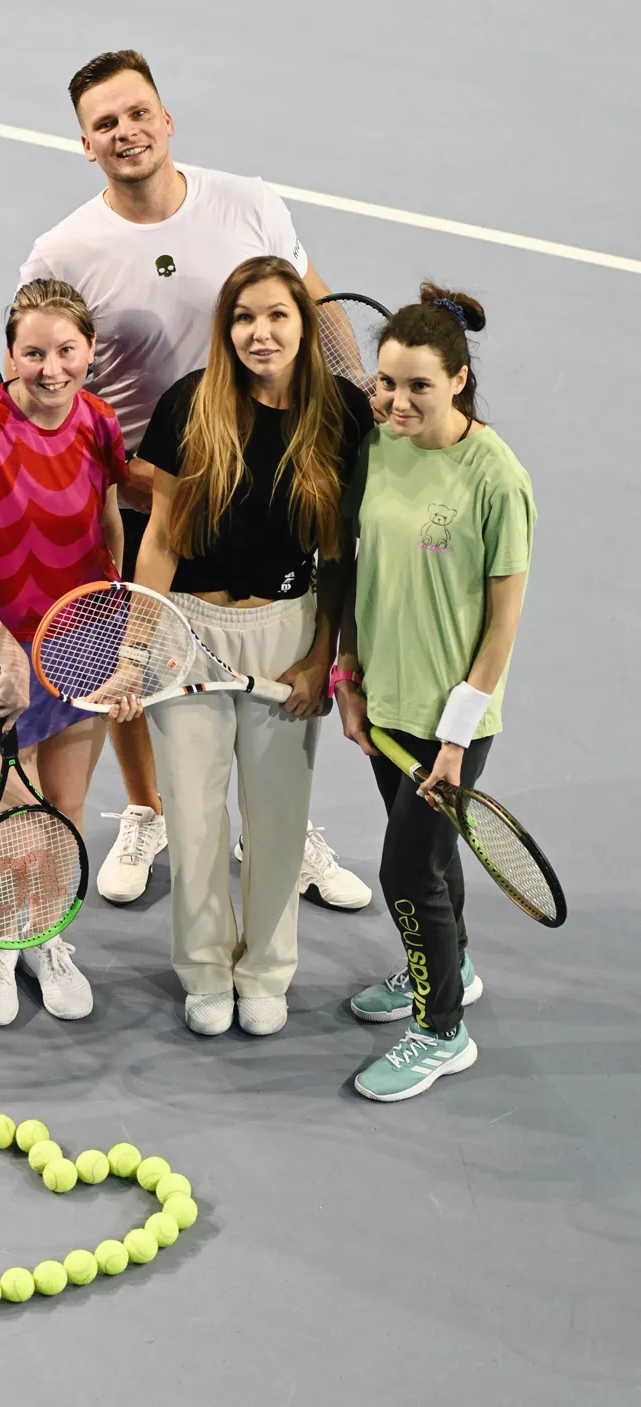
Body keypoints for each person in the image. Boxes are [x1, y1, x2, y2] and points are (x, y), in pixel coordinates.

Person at [17, 49, 371, 911]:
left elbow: (316, 306)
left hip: (277, 477)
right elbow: (57, 381)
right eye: (105, 123)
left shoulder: (247, 201)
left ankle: (279, 820)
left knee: (281, 652)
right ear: (84, 144)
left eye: (138, 113)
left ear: (167, 118)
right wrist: (123, 483)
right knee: (139, 660)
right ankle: (147, 808)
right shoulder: (63, 250)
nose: (125, 131)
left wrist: (353, 411)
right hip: (153, 487)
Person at [113, 256, 372, 1035]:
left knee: (278, 818)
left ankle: (264, 971)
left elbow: (340, 554)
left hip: (287, 633)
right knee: (193, 818)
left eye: (277, 317)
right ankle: (204, 969)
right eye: (244, 318)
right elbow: (158, 537)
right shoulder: (192, 403)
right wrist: (139, 641)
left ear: (303, 325)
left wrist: (320, 654)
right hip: (189, 627)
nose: (260, 333)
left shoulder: (343, 414)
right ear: (227, 329)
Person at [334, 284, 536, 1100]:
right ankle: (450, 968)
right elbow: (352, 568)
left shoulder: (498, 477)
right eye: (387, 383)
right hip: (385, 700)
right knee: (432, 855)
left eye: (418, 384)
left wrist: (455, 737)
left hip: (453, 718)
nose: (396, 400)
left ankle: (442, 1028)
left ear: (458, 380)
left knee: (407, 870)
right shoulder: (377, 448)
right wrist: (348, 672)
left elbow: (503, 625)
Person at [0, 279, 126, 1028]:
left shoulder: (98, 422)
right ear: (10, 351)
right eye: (32, 351)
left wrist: (117, 621)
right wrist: (6, 652)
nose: (50, 368)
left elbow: (108, 529)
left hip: (78, 638)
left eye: (66, 350)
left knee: (64, 812)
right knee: (16, 814)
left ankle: (46, 936)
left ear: (89, 351)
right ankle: (0, 943)